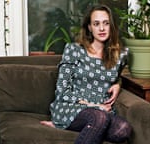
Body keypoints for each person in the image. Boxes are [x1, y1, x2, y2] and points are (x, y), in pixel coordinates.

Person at [40, 4, 132, 144]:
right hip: (71, 107)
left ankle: (85, 128)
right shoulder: (74, 50)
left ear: (111, 26)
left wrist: (118, 84)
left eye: (106, 23)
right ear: (89, 27)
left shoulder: (120, 55)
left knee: (123, 129)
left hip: (102, 112)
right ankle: (71, 123)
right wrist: (95, 106)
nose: (101, 28)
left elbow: (118, 76)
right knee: (100, 118)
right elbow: (62, 91)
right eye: (96, 24)